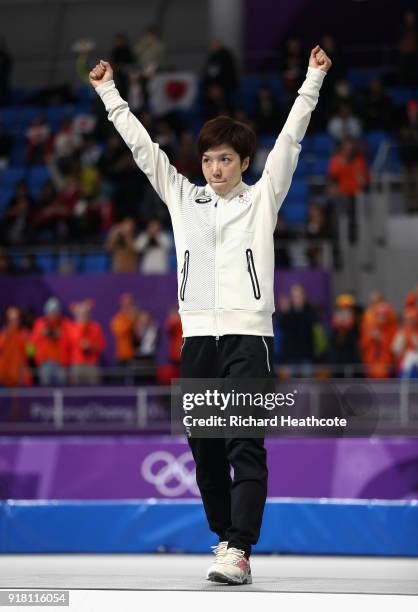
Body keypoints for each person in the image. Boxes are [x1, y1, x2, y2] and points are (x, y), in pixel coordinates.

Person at [90, 44, 331, 585]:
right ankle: (225, 540)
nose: (215, 168)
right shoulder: (183, 199)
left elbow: (290, 139)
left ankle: (240, 548)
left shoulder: (262, 198)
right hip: (198, 340)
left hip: (248, 338)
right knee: (204, 450)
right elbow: (144, 150)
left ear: (244, 163)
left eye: (226, 159)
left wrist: (311, 80)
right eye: (207, 159)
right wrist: (109, 93)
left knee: (244, 442)